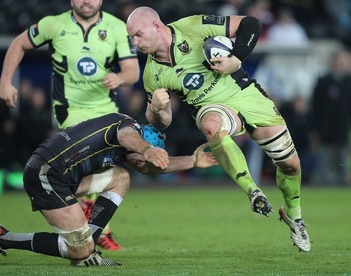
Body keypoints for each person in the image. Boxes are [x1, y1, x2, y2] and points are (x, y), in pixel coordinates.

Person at [126, 7, 311, 252]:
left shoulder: (192, 26)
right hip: (210, 108)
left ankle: (293, 216)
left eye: (138, 35)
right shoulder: (152, 73)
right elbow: (162, 122)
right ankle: (253, 192)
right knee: (211, 126)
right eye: (131, 38)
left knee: (291, 165)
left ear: (156, 26)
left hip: (246, 95)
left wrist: (237, 58)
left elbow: (251, 23)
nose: (135, 42)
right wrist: (157, 109)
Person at [0, 113, 217, 267]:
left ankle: (89, 246)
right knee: (79, 251)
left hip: (66, 177)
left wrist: (192, 161)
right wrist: (147, 150)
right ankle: (3, 238)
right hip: (45, 175)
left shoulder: (131, 147)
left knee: (121, 177)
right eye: (143, 158)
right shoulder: (127, 128)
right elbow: (127, 137)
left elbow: (146, 168)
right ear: (140, 143)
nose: (144, 164)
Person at [0, 0, 140, 250]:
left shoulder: (117, 28)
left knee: (109, 171)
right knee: (88, 165)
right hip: (70, 112)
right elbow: (19, 43)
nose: (87, 1)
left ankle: (85, 220)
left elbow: (132, 71)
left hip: (107, 112)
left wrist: (119, 77)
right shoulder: (54, 25)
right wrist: (5, 81)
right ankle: (97, 230)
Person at [310, 48, 351, 186]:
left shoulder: (348, 82)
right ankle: (322, 182)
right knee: (323, 158)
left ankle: (342, 182)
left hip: (343, 127)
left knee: (341, 159)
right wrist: (314, 129)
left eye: (343, 63)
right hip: (324, 128)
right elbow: (315, 107)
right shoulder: (323, 82)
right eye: (339, 62)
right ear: (333, 63)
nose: (341, 65)